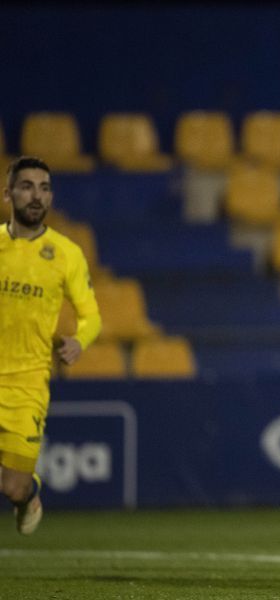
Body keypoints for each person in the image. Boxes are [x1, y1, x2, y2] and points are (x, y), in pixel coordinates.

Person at [0, 156, 102, 535]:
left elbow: (92, 315)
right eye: (27, 186)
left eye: (44, 188)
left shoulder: (66, 254)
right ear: (8, 193)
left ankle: (30, 495)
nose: (36, 196)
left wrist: (79, 341)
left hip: (27, 385)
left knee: (13, 486)